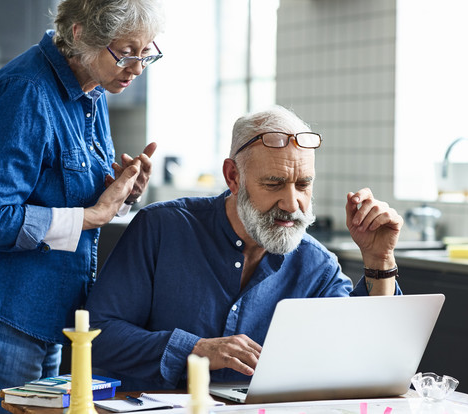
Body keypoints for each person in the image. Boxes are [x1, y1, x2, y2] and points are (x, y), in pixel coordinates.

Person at [0, 0, 165, 412]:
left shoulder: (91, 93)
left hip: (41, 309)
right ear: (81, 35)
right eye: (126, 52)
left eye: (147, 54)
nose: (137, 67)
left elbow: (62, 194)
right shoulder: (26, 91)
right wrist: (92, 216)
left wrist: (121, 192)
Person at [85, 105, 404, 391]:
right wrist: (195, 350)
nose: (291, 203)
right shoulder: (161, 228)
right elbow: (95, 336)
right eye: (273, 183)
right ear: (233, 176)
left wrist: (379, 259)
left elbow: (362, 354)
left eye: (303, 184)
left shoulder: (316, 265)